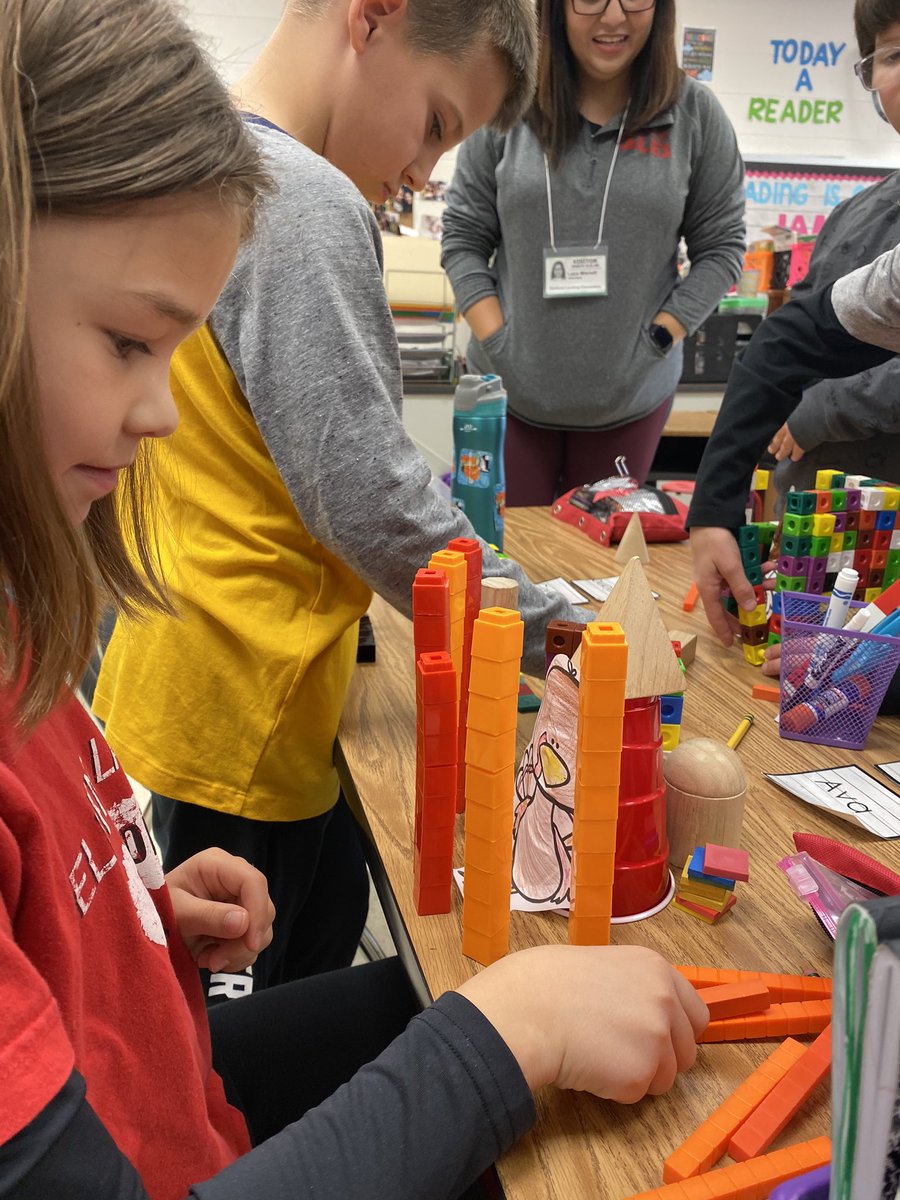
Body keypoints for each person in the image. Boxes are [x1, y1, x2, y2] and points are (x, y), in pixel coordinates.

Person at [1, 9, 709, 1195]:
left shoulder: (29, 638)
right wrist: (509, 1037)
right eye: (128, 342)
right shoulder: (304, 198)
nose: (164, 412)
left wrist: (121, 933)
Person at [93, 0, 594, 1000]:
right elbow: (370, 499)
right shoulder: (304, 199)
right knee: (238, 1051)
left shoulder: (209, 157)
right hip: (240, 718)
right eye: (438, 126)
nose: (423, 175)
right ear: (374, 18)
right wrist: (559, 628)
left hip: (190, 687)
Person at [440, 0, 745, 505]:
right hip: (506, 397)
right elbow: (463, 237)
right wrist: (499, 338)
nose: (613, 17)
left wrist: (660, 336)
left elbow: (722, 247)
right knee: (501, 558)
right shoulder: (506, 101)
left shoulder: (693, 114)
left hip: (628, 402)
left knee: (597, 570)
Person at [688, 0, 900, 653]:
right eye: (892, 55)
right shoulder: (869, 228)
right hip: (831, 554)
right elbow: (791, 340)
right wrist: (715, 507)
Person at [758, 0, 900, 499]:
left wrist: (821, 409)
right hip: (808, 523)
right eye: (892, 55)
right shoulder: (853, 213)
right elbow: (795, 336)